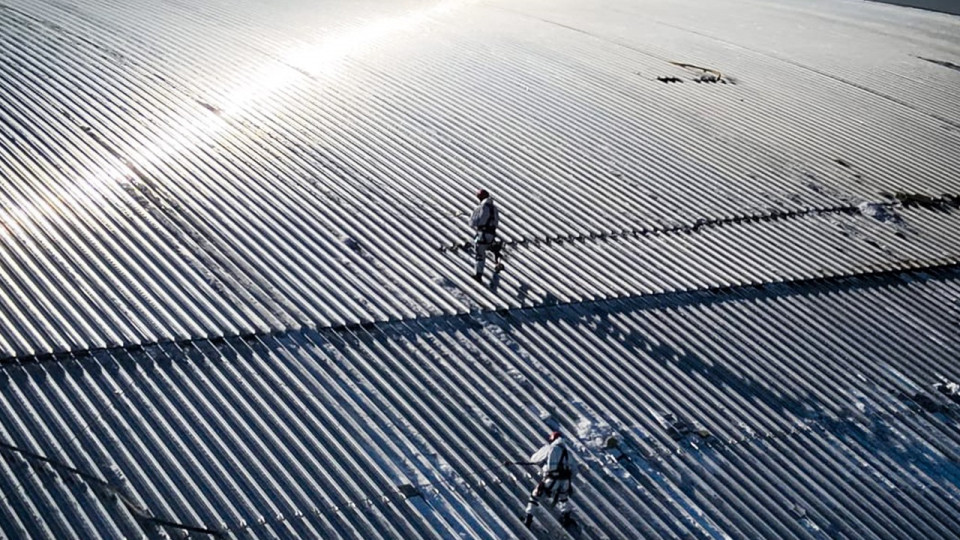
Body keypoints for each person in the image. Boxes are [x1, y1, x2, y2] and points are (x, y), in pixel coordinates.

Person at [521, 431, 575, 528]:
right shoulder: (568, 453)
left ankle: (528, 519)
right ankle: (566, 518)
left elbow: (534, 459)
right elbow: (575, 470)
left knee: (535, 496)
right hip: (565, 481)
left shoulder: (550, 448)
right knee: (563, 498)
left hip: (551, 479)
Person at [469, 189, 504, 281]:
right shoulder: (494, 209)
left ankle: (478, 275)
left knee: (479, 253)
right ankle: (496, 257)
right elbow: (496, 222)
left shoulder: (480, 207)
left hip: (482, 234)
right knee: (488, 246)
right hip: (491, 235)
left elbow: (472, 223)